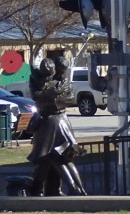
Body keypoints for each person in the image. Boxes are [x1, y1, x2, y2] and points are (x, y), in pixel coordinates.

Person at [27, 57, 86, 196]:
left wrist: (53, 101)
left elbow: (70, 98)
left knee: (58, 156)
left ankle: (73, 189)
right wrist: (52, 95)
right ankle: (45, 190)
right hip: (48, 121)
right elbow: (37, 97)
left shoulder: (62, 81)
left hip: (57, 121)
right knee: (46, 159)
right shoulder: (37, 81)